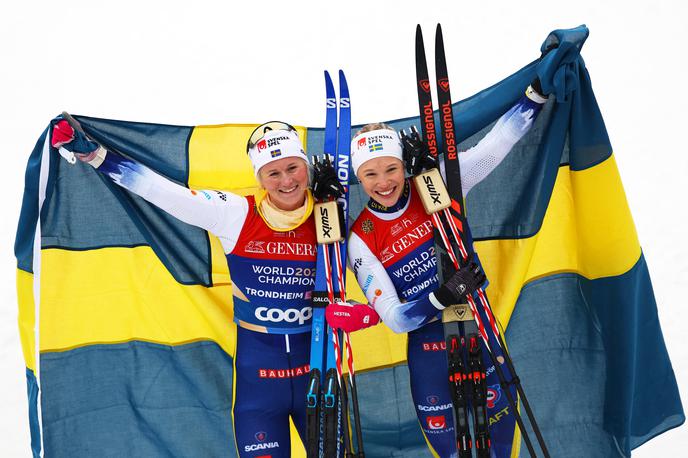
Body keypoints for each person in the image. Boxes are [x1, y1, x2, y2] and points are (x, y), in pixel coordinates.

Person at [52, 119, 318, 458]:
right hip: (259, 392)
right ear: (259, 178)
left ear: (306, 166)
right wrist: (97, 156)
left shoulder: (330, 214)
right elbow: (164, 193)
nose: (287, 181)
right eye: (273, 172)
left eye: (293, 167)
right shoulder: (235, 213)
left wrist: (354, 309)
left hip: (319, 383)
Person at [324, 81, 549, 457]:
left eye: (391, 168)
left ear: (403, 164)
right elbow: (395, 318)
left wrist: (535, 97)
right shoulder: (360, 237)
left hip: (476, 330)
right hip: (428, 351)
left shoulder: (435, 185)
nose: (383, 182)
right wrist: (441, 296)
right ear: (358, 179)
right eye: (371, 174)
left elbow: (492, 150)